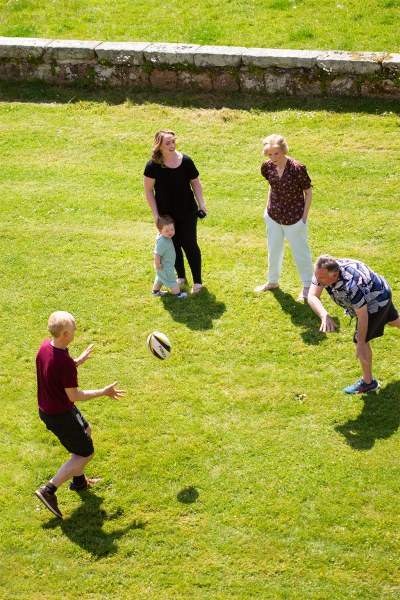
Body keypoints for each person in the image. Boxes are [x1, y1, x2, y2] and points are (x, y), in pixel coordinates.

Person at [35, 311, 125, 518]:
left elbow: (54, 369)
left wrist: (76, 361)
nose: (76, 332)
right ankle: (48, 490)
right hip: (60, 414)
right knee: (86, 453)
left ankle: (78, 482)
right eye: (74, 329)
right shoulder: (64, 362)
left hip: (51, 407)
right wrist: (104, 391)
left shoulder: (45, 347)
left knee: (86, 430)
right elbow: (74, 395)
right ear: (66, 334)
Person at [308, 255, 400, 394]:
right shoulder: (322, 270)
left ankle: (368, 383)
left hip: (376, 300)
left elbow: (362, 315)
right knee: (393, 321)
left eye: (321, 278)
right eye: (316, 276)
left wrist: (361, 343)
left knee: (360, 340)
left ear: (334, 275)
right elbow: (312, 295)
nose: (317, 280)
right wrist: (324, 315)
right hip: (377, 287)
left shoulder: (352, 284)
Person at [144, 129, 207, 294]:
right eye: (167, 143)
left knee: (190, 244)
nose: (172, 145)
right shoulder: (153, 166)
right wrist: (156, 215)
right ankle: (180, 277)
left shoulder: (185, 161)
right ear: (159, 146)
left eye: (173, 141)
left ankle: (198, 282)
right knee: (173, 245)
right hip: (166, 215)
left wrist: (201, 203)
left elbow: (196, 182)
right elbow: (149, 190)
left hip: (187, 211)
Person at [254, 134, 313, 301]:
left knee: (300, 252)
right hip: (273, 216)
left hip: (295, 218)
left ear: (284, 151)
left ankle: (308, 286)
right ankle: (272, 281)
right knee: (273, 250)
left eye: (276, 154)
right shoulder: (267, 167)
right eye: (269, 154)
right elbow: (271, 186)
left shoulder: (297, 168)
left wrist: (303, 217)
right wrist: (267, 207)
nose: (273, 158)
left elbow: (308, 192)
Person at [153, 214, 188, 298]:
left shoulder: (164, 238)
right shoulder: (163, 242)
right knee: (171, 280)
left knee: (160, 278)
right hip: (165, 266)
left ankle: (156, 291)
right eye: (167, 230)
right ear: (160, 231)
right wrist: (157, 264)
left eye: (172, 229)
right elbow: (157, 254)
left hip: (163, 266)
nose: (170, 232)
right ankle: (177, 294)